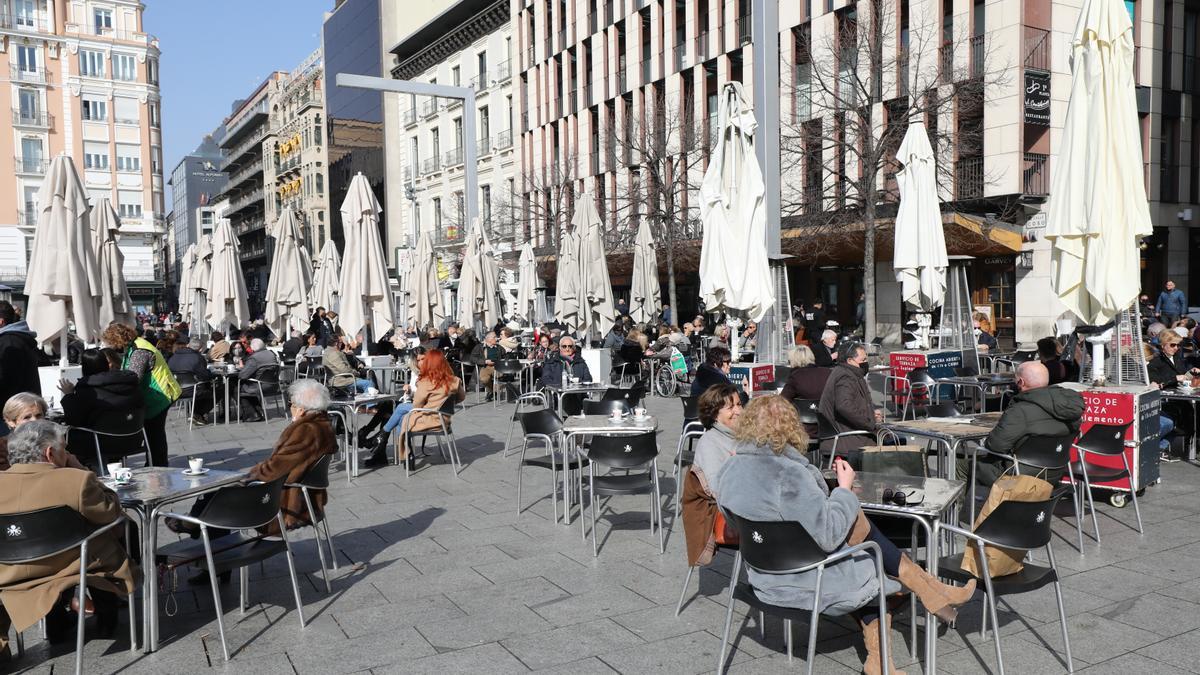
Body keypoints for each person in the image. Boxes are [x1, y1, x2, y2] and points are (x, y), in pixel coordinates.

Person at [716, 396, 974, 675]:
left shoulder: (729, 469)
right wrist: (843, 489)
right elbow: (827, 535)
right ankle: (928, 592)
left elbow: (736, 524)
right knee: (870, 555)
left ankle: (925, 597)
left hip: (764, 573)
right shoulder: (791, 475)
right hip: (803, 579)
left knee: (861, 534)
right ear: (791, 427)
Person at [0, 421, 139, 653]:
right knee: (111, 533)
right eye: (64, 449)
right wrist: (82, 469)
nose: (67, 454)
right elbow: (110, 512)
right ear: (50, 453)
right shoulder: (76, 480)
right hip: (71, 566)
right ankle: (108, 614)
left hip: (10, 572)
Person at [957, 361, 1085, 491]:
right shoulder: (1070, 407)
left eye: (1016, 380)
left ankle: (962, 511)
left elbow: (995, 446)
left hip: (1019, 473)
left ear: (1021, 382)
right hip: (1055, 472)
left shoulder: (1021, 410)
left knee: (961, 466)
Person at [366, 349, 466, 468]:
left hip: (428, 419)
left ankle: (399, 449)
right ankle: (383, 440)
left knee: (402, 411)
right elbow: (461, 398)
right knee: (402, 416)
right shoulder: (454, 381)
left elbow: (417, 405)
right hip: (444, 420)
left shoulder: (427, 381)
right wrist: (441, 404)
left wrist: (429, 405)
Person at [102, 323, 179, 467]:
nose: (111, 346)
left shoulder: (139, 351)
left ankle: (158, 465)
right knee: (154, 432)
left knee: (154, 432)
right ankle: (155, 463)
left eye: (111, 342)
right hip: (157, 393)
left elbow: (133, 378)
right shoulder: (135, 346)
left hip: (160, 394)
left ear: (117, 339)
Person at [58, 348, 144, 468]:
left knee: (67, 434)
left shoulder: (87, 390)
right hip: (135, 439)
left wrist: (69, 395)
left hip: (102, 443)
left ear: (84, 367)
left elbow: (74, 419)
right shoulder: (129, 382)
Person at [817, 342, 878, 460]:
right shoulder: (846, 376)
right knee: (895, 444)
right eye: (863, 359)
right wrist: (870, 423)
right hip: (847, 440)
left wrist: (870, 414)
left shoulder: (847, 372)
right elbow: (844, 406)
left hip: (848, 436)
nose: (866, 362)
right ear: (850, 361)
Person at [692, 383, 742, 496]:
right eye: (731, 407)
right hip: (724, 509)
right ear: (714, 414)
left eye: (739, 404)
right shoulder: (709, 443)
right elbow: (718, 489)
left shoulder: (742, 435)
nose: (738, 411)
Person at [0, 301, 40, 423]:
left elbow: (7, 380)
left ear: (1, 321)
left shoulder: (9, 343)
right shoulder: (15, 339)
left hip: (14, 414)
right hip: (23, 411)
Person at [169, 336, 216, 425]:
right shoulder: (197, 358)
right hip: (192, 390)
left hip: (176, 390)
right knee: (215, 389)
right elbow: (205, 376)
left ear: (188, 345)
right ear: (200, 348)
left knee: (200, 385)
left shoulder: (173, 357)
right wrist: (212, 374)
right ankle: (197, 414)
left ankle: (193, 413)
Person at [0, 393, 47, 471]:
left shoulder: (52, 442)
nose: (34, 420)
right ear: (10, 421)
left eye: (39, 415)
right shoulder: (2, 447)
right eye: (27, 417)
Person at [237, 338, 279, 422]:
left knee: (238, 387)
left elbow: (242, 375)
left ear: (252, 348)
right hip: (274, 386)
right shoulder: (272, 354)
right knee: (247, 387)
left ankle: (253, 414)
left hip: (259, 387)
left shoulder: (254, 358)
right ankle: (257, 412)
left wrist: (241, 368)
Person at [471, 332, 504, 401]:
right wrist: (485, 361)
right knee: (484, 379)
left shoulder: (499, 347)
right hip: (485, 366)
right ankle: (492, 391)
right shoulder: (479, 347)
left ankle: (492, 392)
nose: (497, 339)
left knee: (500, 377)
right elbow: (473, 358)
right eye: (494, 337)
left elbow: (505, 356)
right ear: (488, 339)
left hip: (498, 366)